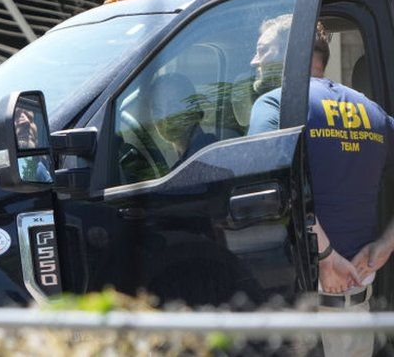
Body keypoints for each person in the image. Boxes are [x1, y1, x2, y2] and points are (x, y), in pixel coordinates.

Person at [248, 18, 394, 357]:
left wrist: (325, 257)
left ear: (290, 50)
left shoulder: (275, 105)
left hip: (306, 314)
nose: (255, 62)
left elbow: (272, 188)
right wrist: (385, 245)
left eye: (262, 51)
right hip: (359, 311)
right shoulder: (371, 111)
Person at [148, 73, 217, 167]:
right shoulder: (185, 163)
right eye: (157, 109)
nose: (164, 116)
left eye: (173, 106)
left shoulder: (209, 158)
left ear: (195, 109)